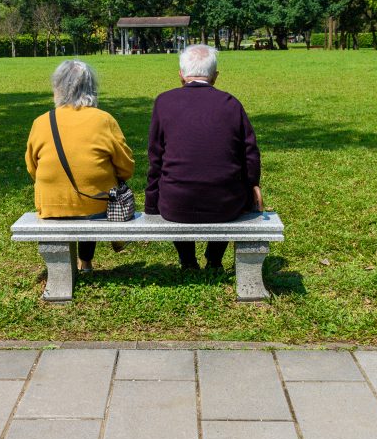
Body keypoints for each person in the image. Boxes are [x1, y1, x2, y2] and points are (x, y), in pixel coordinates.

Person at [145, 44, 263, 270]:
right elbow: (250, 153)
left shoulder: (164, 102)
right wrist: (252, 186)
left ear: (181, 74)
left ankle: (188, 260)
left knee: (180, 188)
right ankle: (215, 259)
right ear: (215, 76)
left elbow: (156, 159)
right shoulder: (231, 104)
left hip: (174, 204)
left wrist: (151, 204)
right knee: (225, 185)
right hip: (226, 204)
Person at [25, 60, 135, 271]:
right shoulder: (104, 120)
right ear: (91, 87)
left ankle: (69, 268)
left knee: (82, 194)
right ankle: (86, 261)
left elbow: (32, 168)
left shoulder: (41, 122)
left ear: (57, 88)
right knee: (95, 192)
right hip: (96, 206)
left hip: (51, 206)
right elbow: (126, 168)